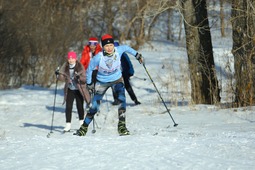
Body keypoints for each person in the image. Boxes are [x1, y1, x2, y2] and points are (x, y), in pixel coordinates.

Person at [74, 34, 144, 136]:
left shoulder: (118, 50)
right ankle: (83, 128)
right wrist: (89, 84)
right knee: (95, 106)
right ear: (103, 47)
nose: (109, 48)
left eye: (111, 45)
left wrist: (137, 55)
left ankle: (122, 126)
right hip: (102, 82)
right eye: (106, 46)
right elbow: (89, 70)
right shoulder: (98, 57)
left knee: (122, 100)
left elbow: (127, 48)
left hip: (117, 80)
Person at [56, 51, 91, 132]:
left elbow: (84, 78)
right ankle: (68, 125)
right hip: (70, 89)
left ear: (75, 59)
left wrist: (79, 77)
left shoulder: (79, 66)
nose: (71, 60)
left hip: (79, 89)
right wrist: (58, 74)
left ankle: (82, 124)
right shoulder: (65, 66)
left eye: (72, 58)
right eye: (69, 58)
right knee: (68, 107)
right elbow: (61, 78)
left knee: (79, 106)